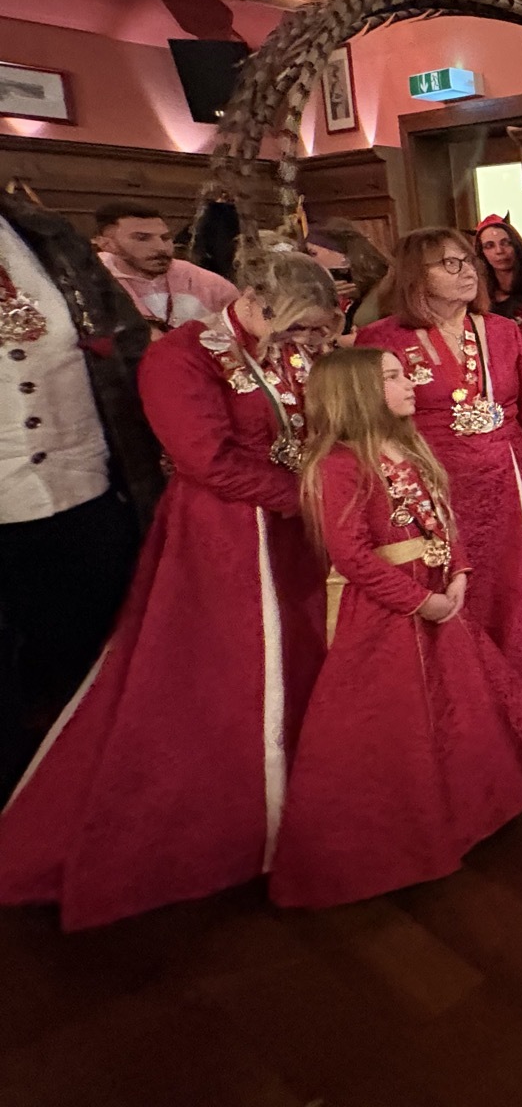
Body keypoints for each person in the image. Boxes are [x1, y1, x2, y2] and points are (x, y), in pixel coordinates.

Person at [0, 249, 340, 930]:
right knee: (228, 668)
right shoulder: (181, 357)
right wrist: (307, 496)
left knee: (300, 652)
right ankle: (238, 812)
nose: (303, 341)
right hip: (224, 532)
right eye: (297, 326)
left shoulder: (284, 348)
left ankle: (302, 790)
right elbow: (205, 459)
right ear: (258, 301)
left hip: (292, 526)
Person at [270, 349, 522, 910]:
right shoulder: (339, 466)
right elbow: (353, 556)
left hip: (436, 595)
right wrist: (420, 601)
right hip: (388, 613)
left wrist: (459, 570)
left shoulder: (405, 446)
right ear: (359, 393)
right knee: (395, 718)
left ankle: (467, 804)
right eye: (393, 377)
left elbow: (442, 518)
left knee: (454, 703)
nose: (411, 384)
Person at [359, 232, 522, 735]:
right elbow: (373, 427)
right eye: (448, 264)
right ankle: (479, 714)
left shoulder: (502, 331)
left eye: (467, 261)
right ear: (415, 277)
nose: (467, 271)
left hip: (512, 489)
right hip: (438, 494)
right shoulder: (381, 340)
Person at [0, 191, 164, 793]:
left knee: (92, 662)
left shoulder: (48, 237)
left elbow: (127, 345)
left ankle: (93, 796)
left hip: (87, 494)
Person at [95, 199, 238, 335]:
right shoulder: (91, 284)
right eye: (142, 238)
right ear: (107, 245)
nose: (161, 248)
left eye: (165, 238)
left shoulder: (208, 285)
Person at [475, 215, 522, 368]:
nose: (499, 251)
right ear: (481, 253)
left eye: (506, 243)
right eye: (489, 246)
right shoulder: (477, 294)